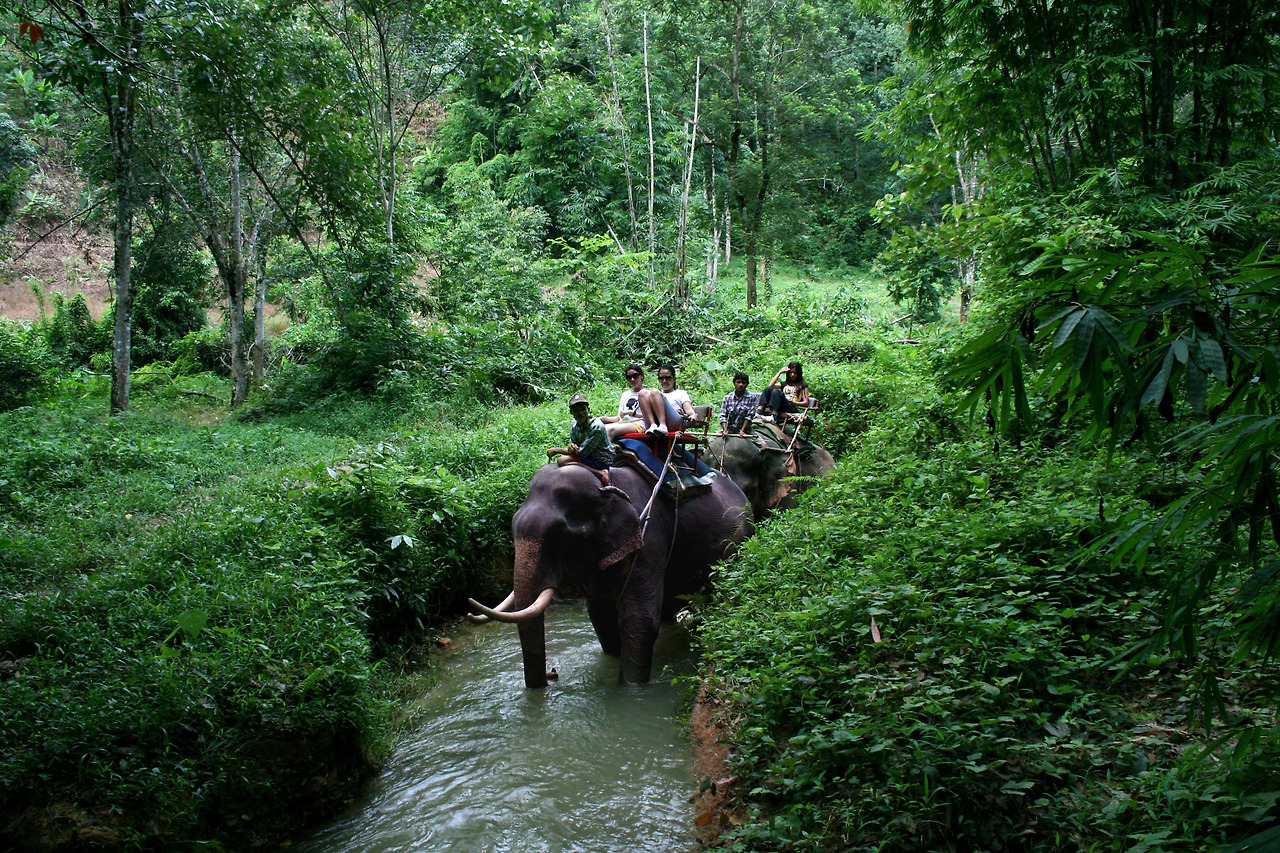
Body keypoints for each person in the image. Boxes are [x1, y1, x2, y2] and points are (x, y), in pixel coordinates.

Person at [547, 394, 613, 485]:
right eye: (576, 410)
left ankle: (600, 473)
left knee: (562, 461)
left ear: (588, 410)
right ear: (571, 412)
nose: (580, 413)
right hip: (587, 456)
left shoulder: (597, 427)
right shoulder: (574, 425)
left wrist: (557, 450)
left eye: (583, 409)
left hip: (601, 459)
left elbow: (582, 453)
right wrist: (571, 447)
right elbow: (574, 442)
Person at [602, 364, 672, 438]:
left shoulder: (648, 394)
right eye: (629, 377)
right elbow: (619, 417)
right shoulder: (625, 394)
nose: (632, 379)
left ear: (641, 376)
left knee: (609, 429)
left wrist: (633, 413)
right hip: (623, 422)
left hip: (639, 423)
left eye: (635, 376)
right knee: (602, 429)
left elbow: (654, 415)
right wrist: (604, 419)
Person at [656, 363, 700, 430]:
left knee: (655, 392)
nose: (664, 381)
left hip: (675, 422)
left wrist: (693, 415)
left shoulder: (681, 393)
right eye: (661, 378)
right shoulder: (656, 396)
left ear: (674, 379)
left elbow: (689, 411)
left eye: (668, 378)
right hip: (657, 422)